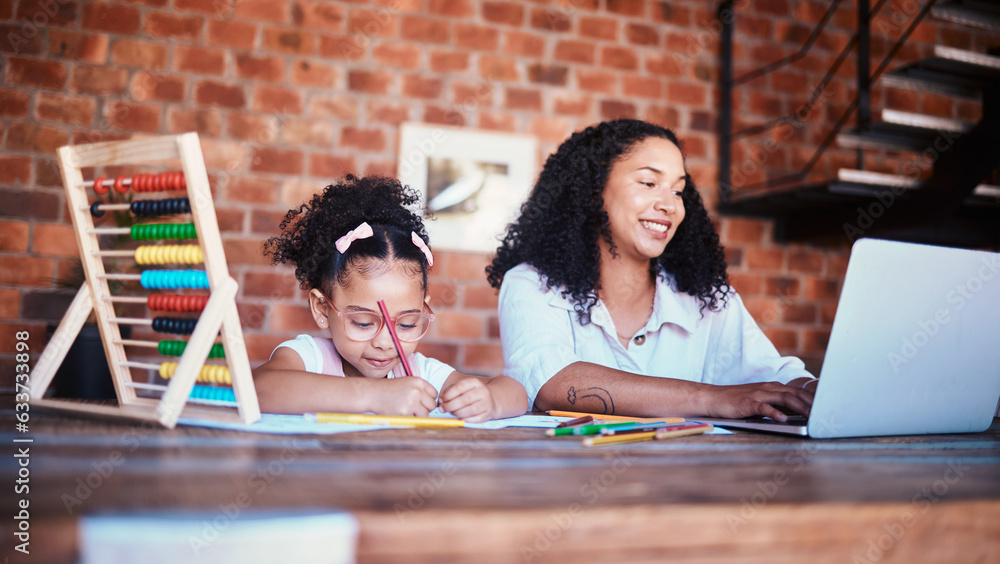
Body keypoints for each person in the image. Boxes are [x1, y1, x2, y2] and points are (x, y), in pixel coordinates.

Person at [487, 119, 815, 421]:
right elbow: (553, 384)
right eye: (648, 182)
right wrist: (713, 399)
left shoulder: (706, 298)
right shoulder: (531, 285)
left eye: (677, 190)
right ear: (594, 189)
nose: (669, 205)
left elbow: (773, 376)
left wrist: (816, 392)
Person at [255, 175, 528, 422]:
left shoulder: (420, 373)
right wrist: (374, 395)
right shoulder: (310, 357)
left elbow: (515, 391)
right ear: (322, 308)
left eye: (407, 324)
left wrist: (490, 402)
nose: (385, 343)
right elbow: (259, 388)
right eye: (363, 322)